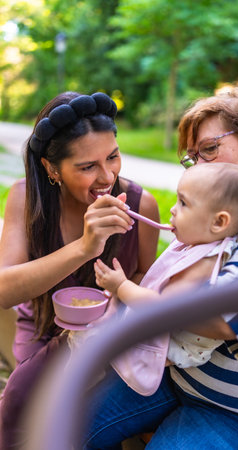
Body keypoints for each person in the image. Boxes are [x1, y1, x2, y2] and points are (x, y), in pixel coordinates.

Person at [79, 87, 238, 450]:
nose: (202, 168)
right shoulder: (221, 208)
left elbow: (225, 318)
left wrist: (131, 293)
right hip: (182, 378)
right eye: (193, 158)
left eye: (211, 149)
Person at [0, 91, 160, 448]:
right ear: (51, 168)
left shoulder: (141, 204)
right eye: (87, 166)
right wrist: (85, 248)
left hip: (112, 344)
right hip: (42, 332)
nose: (107, 176)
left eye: (113, 157)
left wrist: (116, 299)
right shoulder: (25, 199)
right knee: (31, 409)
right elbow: (4, 290)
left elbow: (146, 279)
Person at [92, 163, 238, 395]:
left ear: (219, 222)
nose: (173, 210)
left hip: (175, 348)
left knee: (92, 343)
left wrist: (120, 286)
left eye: (183, 203)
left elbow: (163, 309)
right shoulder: (204, 242)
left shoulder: (205, 262)